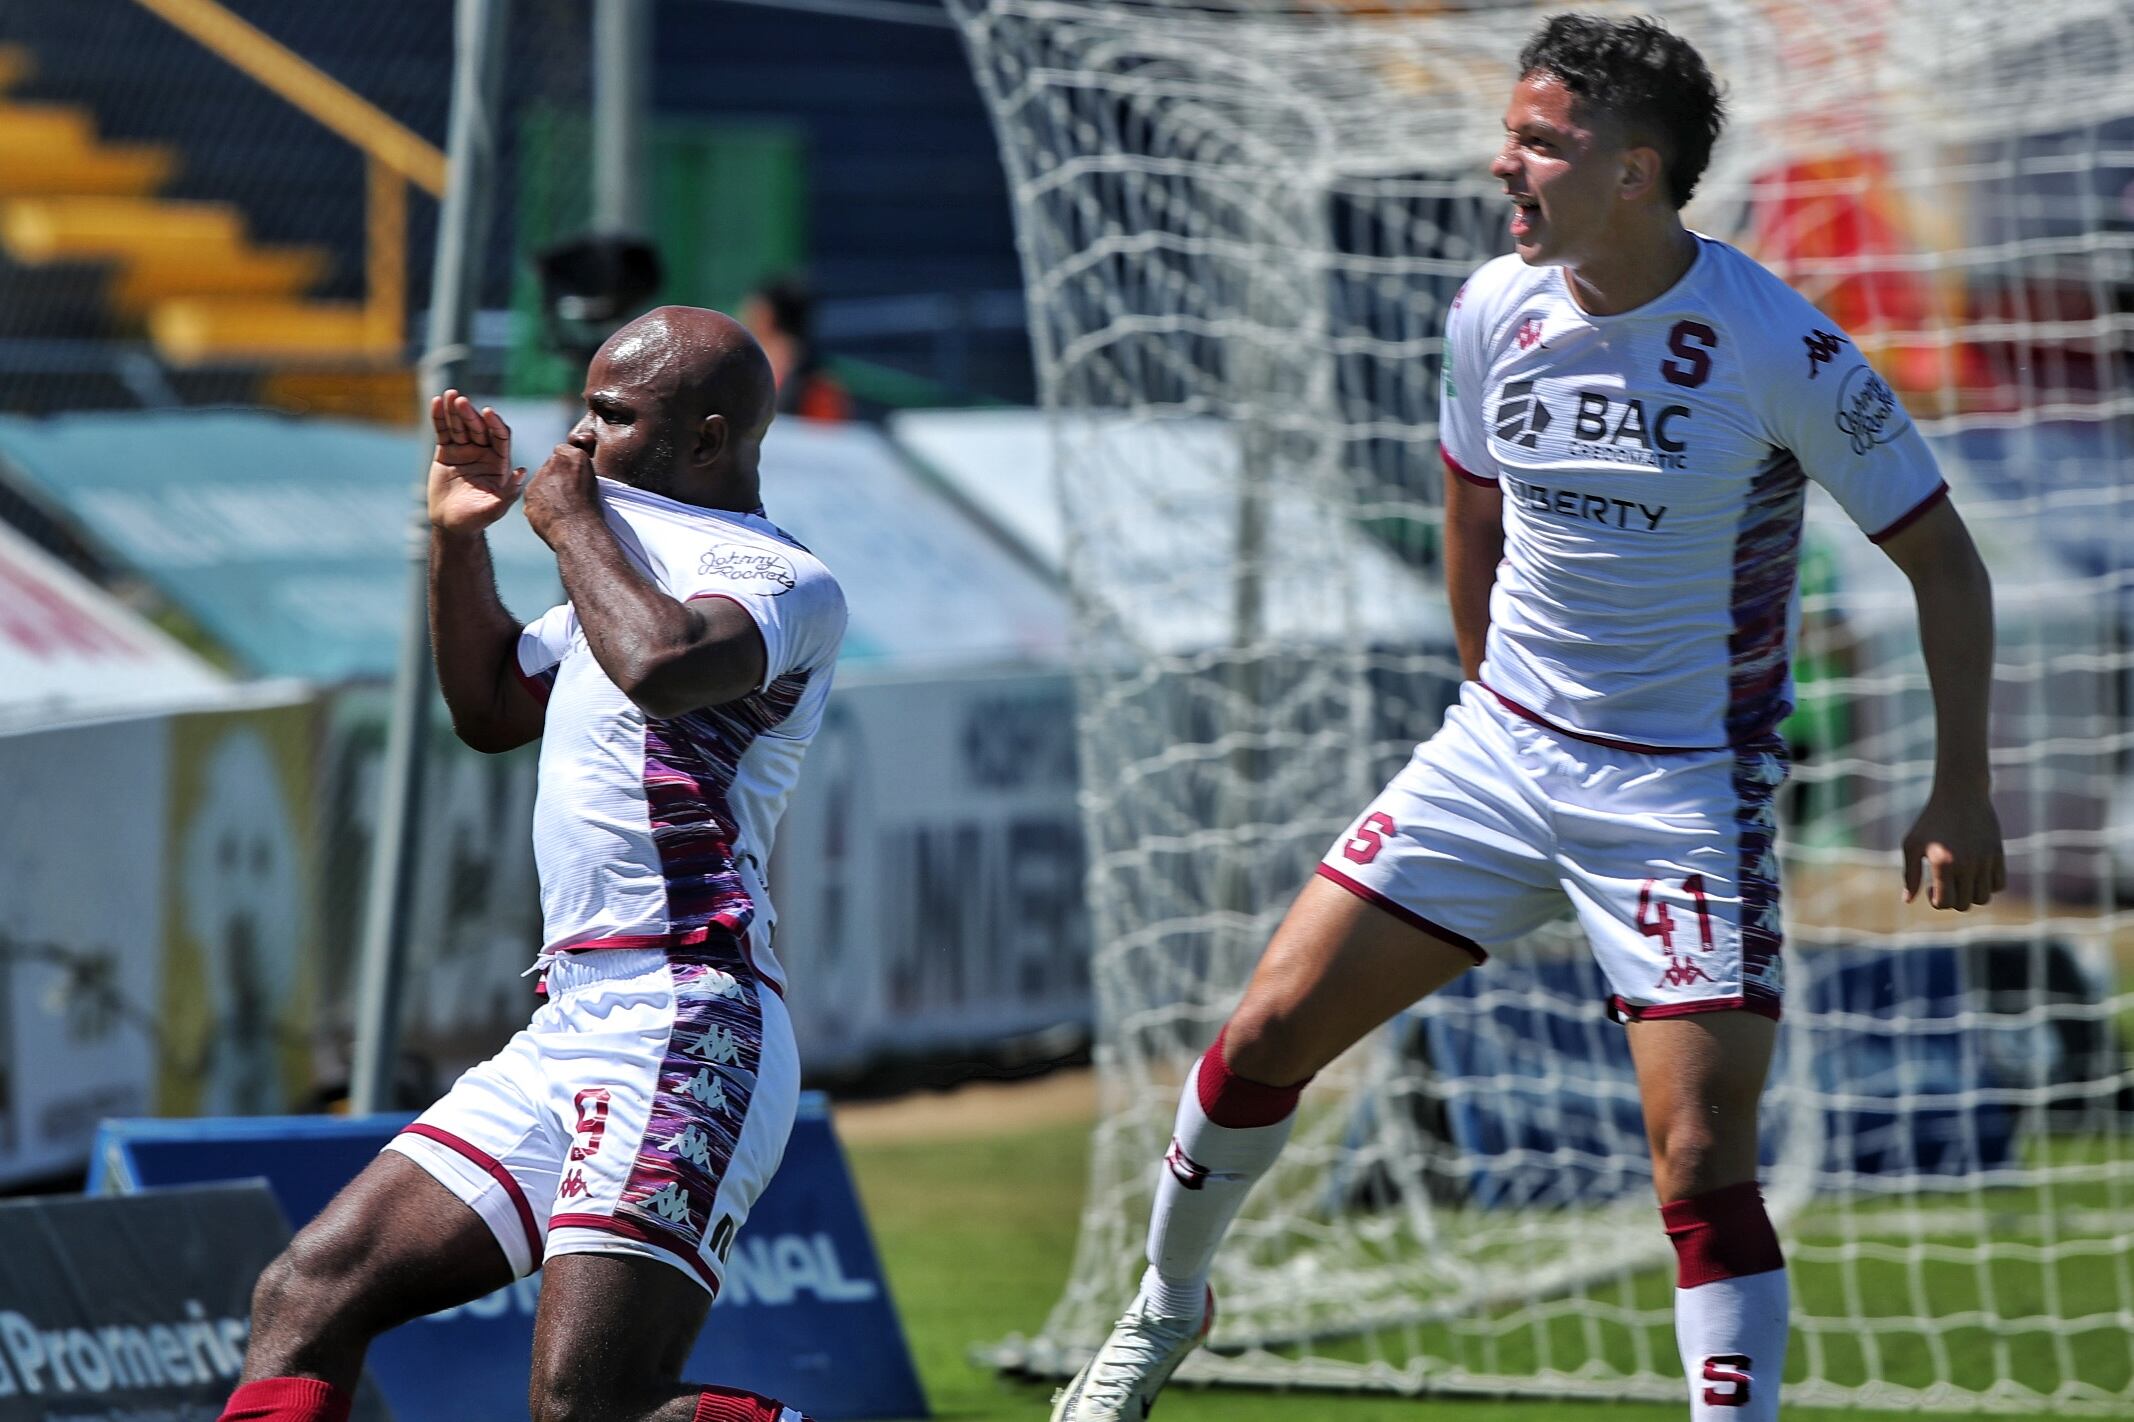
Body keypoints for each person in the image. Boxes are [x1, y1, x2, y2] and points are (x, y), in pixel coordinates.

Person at [1050, 14, 2003, 1422]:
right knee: (1260, 1035)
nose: (1505, 160)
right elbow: (1467, 508)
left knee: (1697, 1153)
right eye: (1514, 131)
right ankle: (1160, 1309)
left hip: (1683, 791)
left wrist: (1958, 787)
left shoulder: (1774, 344)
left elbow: (1941, 556)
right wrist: (1485, 707)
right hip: (1495, 755)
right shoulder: (1492, 302)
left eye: (1541, 141)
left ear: (1635, 170)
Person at [218, 307, 845, 1422]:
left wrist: (562, 526)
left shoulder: (781, 579)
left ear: (705, 438)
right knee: (307, 1291)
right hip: (573, 1017)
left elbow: (660, 664)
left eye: (610, 414)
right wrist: (460, 538)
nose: (575, 438)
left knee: (588, 1406)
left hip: (687, 1012)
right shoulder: (623, 565)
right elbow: (493, 706)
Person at [740, 275, 852, 423]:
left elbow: (828, 437)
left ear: (768, 315)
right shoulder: (744, 365)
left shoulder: (817, 383)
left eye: (753, 308)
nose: (744, 314)